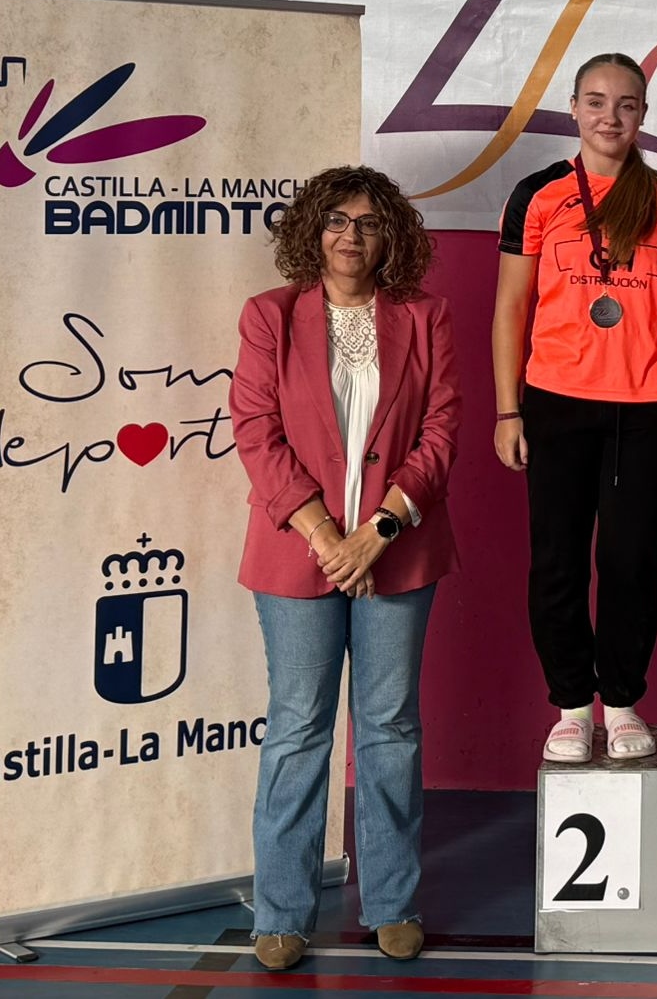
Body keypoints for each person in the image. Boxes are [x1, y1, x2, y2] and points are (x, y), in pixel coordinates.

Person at [231, 166, 460, 971]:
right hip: (299, 550)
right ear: (312, 230)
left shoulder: (426, 316)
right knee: (298, 727)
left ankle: (393, 903)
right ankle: (282, 913)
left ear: (390, 234)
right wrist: (330, 536)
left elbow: (441, 430)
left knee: (390, 726)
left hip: (399, 550)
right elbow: (255, 428)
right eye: (336, 220)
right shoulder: (270, 315)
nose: (351, 236)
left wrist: (379, 532)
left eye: (367, 222)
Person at [493, 53, 657, 765]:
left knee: (631, 562)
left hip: (645, 404)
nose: (610, 116)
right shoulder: (537, 195)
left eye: (626, 104)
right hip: (556, 402)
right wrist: (508, 411)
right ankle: (572, 706)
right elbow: (512, 306)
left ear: (643, 114)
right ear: (573, 108)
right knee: (558, 562)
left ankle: (622, 703)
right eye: (596, 102)